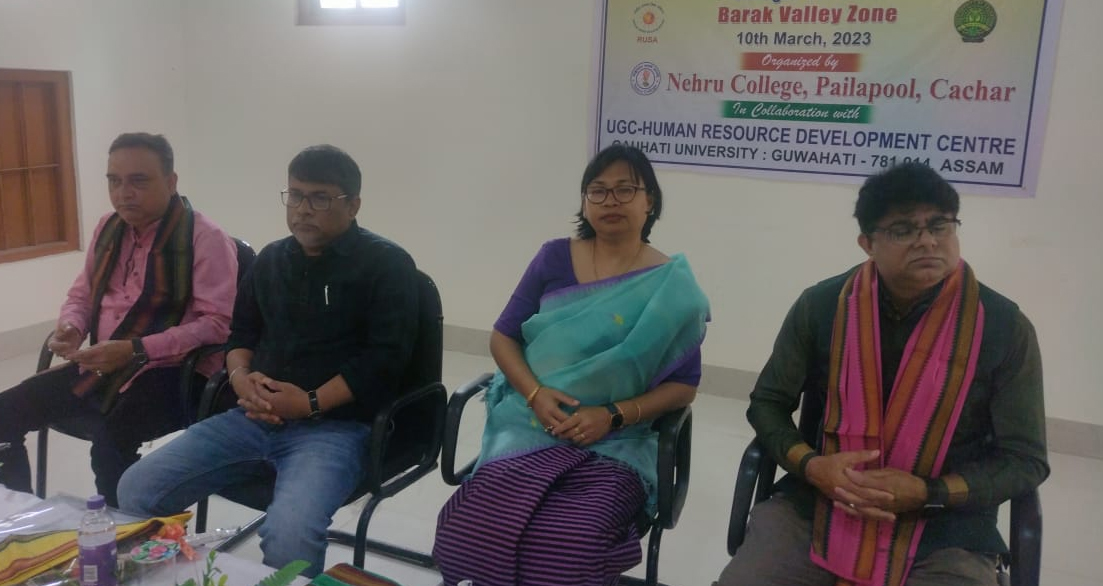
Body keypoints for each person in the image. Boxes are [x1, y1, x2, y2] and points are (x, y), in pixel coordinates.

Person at [716, 162, 1049, 586]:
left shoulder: (1004, 327)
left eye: (940, 225)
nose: (927, 241)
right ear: (867, 243)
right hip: (820, 503)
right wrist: (813, 467)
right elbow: (768, 402)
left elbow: (1025, 459)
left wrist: (928, 492)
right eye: (903, 229)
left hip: (946, 524)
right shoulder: (822, 307)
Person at [117, 145, 418, 576]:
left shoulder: (387, 266)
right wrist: (241, 380)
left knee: (289, 537)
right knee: (136, 489)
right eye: (295, 195)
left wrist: (309, 403)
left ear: (353, 205)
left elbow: (384, 362)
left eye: (320, 198)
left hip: (335, 428)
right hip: (253, 416)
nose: (303, 209)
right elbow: (242, 335)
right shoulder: (273, 260)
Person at [433, 144, 710, 586]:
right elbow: (504, 336)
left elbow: (684, 386)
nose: (610, 200)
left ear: (650, 201)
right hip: (529, 422)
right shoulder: (554, 258)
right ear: (584, 201)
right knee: (472, 527)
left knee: (572, 540)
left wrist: (611, 415)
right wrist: (535, 394)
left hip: (617, 440)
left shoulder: (672, 290)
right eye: (598, 190)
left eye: (625, 189)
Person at [0, 133, 238, 507]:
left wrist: (136, 350)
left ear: (171, 182)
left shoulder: (205, 238)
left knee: (109, 446)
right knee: (5, 413)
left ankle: (126, 538)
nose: (124, 193)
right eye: (114, 181)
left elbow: (217, 325)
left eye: (138, 181)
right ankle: (22, 524)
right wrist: (71, 327)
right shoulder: (108, 228)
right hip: (105, 365)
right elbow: (82, 295)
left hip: (176, 373)